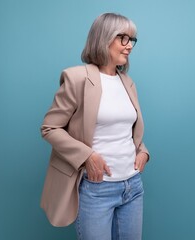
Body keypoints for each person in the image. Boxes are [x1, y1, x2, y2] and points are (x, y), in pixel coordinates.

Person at [40, 12, 150, 240]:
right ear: (104, 37)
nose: (129, 46)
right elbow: (50, 128)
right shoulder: (77, 78)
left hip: (132, 186)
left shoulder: (127, 82)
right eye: (123, 38)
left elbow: (125, 130)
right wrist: (87, 156)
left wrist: (143, 151)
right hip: (97, 189)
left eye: (132, 40)